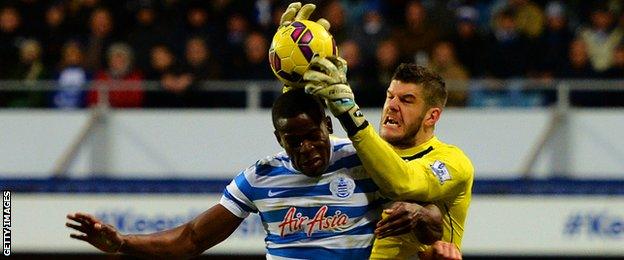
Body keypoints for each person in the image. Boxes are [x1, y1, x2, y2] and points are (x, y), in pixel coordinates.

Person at [66, 88, 444, 259]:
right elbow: (191, 238)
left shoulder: (365, 159)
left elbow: (431, 220)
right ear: (279, 138)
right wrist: (122, 244)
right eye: (292, 141)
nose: (306, 149)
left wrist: (424, 214)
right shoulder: (260, 178)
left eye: (313, 136)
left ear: (327, 125)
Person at [304, 57, 474, 259]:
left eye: (406, 100)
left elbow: (404, 182)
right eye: (390, 96)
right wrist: (296, 81)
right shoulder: (360, 151)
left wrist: (351, 114)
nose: (392, 106)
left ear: (432, 116)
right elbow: (300, 141)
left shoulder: (452, 161)